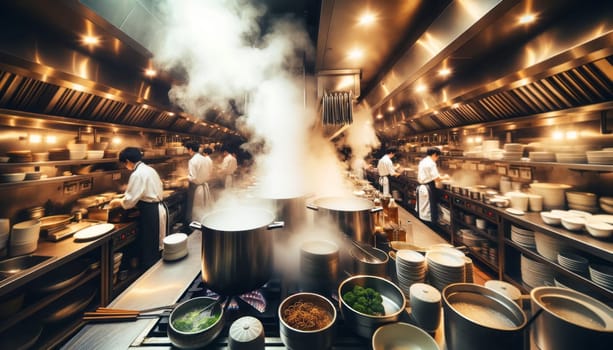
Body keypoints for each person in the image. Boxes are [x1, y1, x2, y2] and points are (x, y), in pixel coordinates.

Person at [109, 147, 167, 267]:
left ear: (128, 161)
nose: (126, 166)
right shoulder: (149, 169)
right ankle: (155, 271)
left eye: (125, 163)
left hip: (151, 212)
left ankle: (149, 275)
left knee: (150, 245)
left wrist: (118, 201)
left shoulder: (137, 174)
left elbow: (130, 200)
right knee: (155, 245)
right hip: (157, 207)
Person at [416, 146, 448, 223]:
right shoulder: (431, 163)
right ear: (434, 154)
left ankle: (425, 224)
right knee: (429, 209)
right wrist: (445, 177)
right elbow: (437, 179)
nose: (437, 158)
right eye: (437, 156)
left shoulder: (423, 161)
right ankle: (432, 226)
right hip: (428, 188)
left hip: (421, 187)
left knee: (423, 208)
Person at [185, 142, 213, 222]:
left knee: (197, 211)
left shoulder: (192, 161)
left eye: (187, 150)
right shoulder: (204, 159)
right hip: (204, 186)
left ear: (190, 149)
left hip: (197, 189)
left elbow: (193, 178)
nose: (187, 152)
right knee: (203, 209)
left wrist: (186, 177)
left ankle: (196, 229)